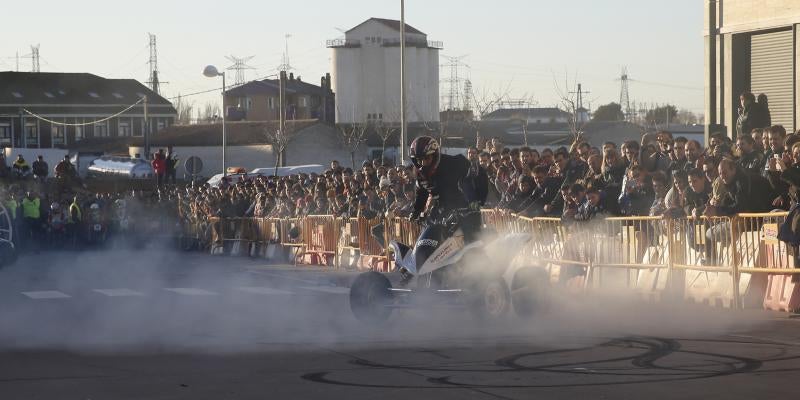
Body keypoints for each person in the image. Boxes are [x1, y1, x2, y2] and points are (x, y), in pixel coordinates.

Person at [408, 136, 488, 243]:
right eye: (419, 160)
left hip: (464, 208)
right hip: (441, 209)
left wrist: (477, 200)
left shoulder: (455, 163)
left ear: (435, 155)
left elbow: (478, 177)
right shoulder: (420, 174)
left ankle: (480, 257)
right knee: (428, 236)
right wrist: (416, 212)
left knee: (472, 239)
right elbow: (422, 193)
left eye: (426, 158)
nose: (423, 163)